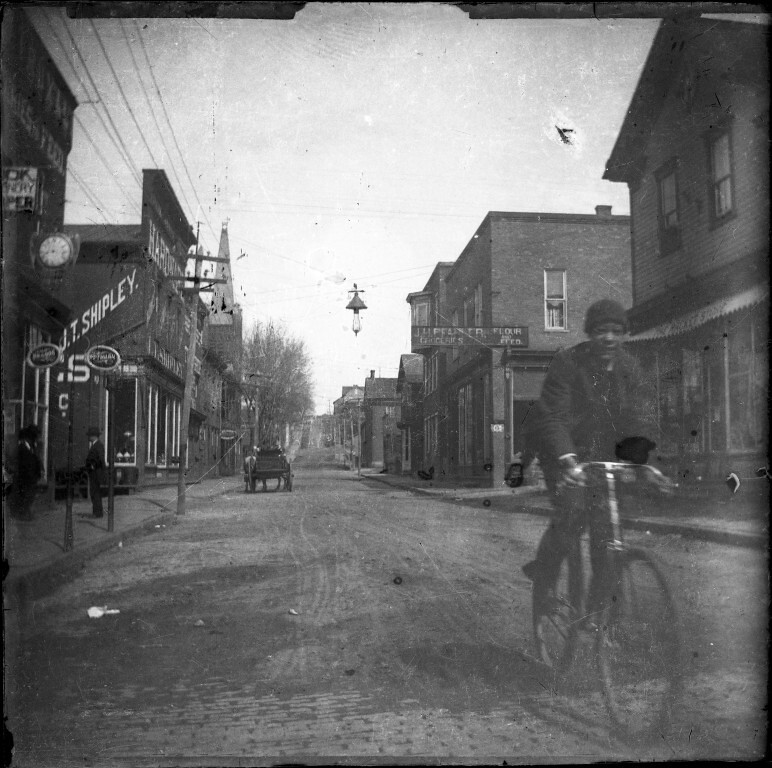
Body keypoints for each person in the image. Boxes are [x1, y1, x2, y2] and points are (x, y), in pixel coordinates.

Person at [522, 298, 657, 614]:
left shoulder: (629, 367)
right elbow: (553, 416)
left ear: (624, 334)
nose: (608, 338)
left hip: (605, 458)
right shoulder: (568, 362)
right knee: (571, 514)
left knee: (606, 535)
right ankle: (545, 580)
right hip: (565, 454)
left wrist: (640, 459)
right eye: (600, 331)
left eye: (615, 331)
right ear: (590, 333)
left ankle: (596, 618)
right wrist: (567, 459)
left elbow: (641, 417)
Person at [9, 424, 43, 521]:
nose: (36, 440)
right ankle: (23, 514)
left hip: (31, 479)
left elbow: (35, 461)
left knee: (29, 497)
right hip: (25, 479)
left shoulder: (31, 448)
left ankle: (26, 513)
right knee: (25, 497)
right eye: (34, 438)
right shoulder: (22, 448)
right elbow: (23, 465)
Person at [84, 426, 105, 518]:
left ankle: (97, 513)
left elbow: (100, 459)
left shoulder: (98, 445)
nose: (88, 437)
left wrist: (93, 466)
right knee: (94, 492)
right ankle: (96, 512)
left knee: (95, 493)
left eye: (89, 435)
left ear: (94, 436)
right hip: (94, 473)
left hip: (96, 473)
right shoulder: (95, 445)